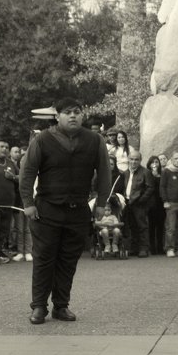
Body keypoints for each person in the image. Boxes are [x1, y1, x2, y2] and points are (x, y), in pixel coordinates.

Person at [19, 97, 111, 325]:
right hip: (47, 209)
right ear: (57, 116)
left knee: (68, 260)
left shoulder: (94, 140)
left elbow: (105, 173)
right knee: (44, 259)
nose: (73, 116)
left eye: (77, 112)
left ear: (83, 115)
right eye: (67, 112)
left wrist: (101, 203)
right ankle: (39, 306)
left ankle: (61, 306)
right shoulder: (42, 139)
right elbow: (27, 171)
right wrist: (28, 203)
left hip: (78, 209)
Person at [115, 149, 155, 257]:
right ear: (128, 159)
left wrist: (142, 200)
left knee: (142, 226)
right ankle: (134, 247)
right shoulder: (126, 173)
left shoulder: (145, 172)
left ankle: (144, 249)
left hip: (139, 203)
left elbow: (150, 188)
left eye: (136, 160)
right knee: (131, 226)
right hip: (128, 202)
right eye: (131, 159)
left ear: (140, 160)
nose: (133, 162)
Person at [160, 152, 178, 257]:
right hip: (171, 203)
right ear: (171, 160)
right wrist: (165, 201)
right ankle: (169, 248)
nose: (177, 161)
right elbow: (162, 187)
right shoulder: (166, 171)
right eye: (175, 159)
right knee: (171, 227)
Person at [146, 156, 165, 256]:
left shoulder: (162, 174)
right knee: (151, 227)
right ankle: (152, 247)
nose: (155, 164)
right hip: (151, 204)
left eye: (156, 162)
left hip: (161, 203)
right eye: (152, 162)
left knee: (160, 226)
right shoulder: (147, 174)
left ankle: (160, 247)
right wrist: (153, 175)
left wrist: (157, 175)